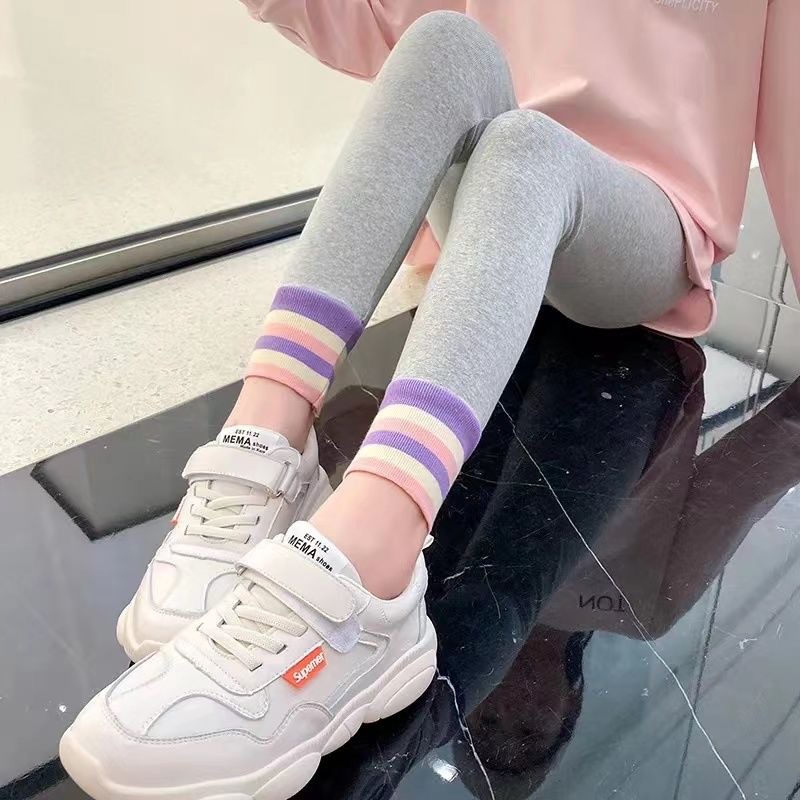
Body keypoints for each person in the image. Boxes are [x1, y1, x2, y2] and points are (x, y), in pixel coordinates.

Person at [59, 4, 799, 799]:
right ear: (566, 709)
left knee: (531, 147)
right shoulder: (635, 605)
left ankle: (366, 572)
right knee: (445, 43)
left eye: (493, 730)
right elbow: (386, 30)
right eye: (524, 732)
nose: (509, 712)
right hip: (490, 201)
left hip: (642, 230)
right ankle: (266, 432)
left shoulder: (642, 606)